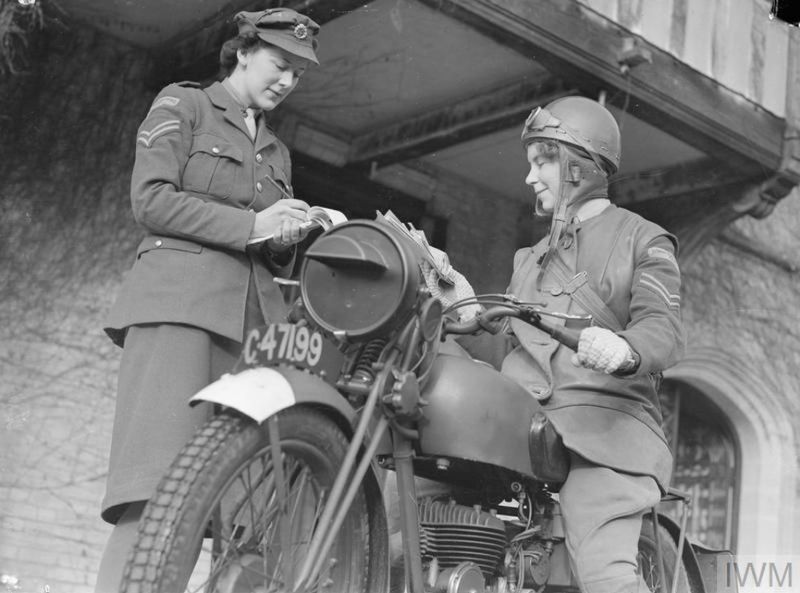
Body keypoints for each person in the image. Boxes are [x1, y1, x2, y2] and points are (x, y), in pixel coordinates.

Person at [95, 8, 321, 591]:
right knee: (158, 493)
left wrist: (284, 237)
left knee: (243, 510)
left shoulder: (277, 151)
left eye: (298, 74)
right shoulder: (184, 105)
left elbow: (267, 251)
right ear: (242, 52)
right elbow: (152, 201)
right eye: (279, 63)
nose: (287, 81)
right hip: (181, 314)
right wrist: (253, 225)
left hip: (253, 336)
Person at [500, 96, 685, 593]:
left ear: (578, 166)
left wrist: (625, 350)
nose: (530, 177)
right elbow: (509, 343)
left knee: (604, 573)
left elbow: (662, 325)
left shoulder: (643, 240)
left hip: (605, 432)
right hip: (522, 426)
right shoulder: (529, 260)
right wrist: (458, 306)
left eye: (543, 162)